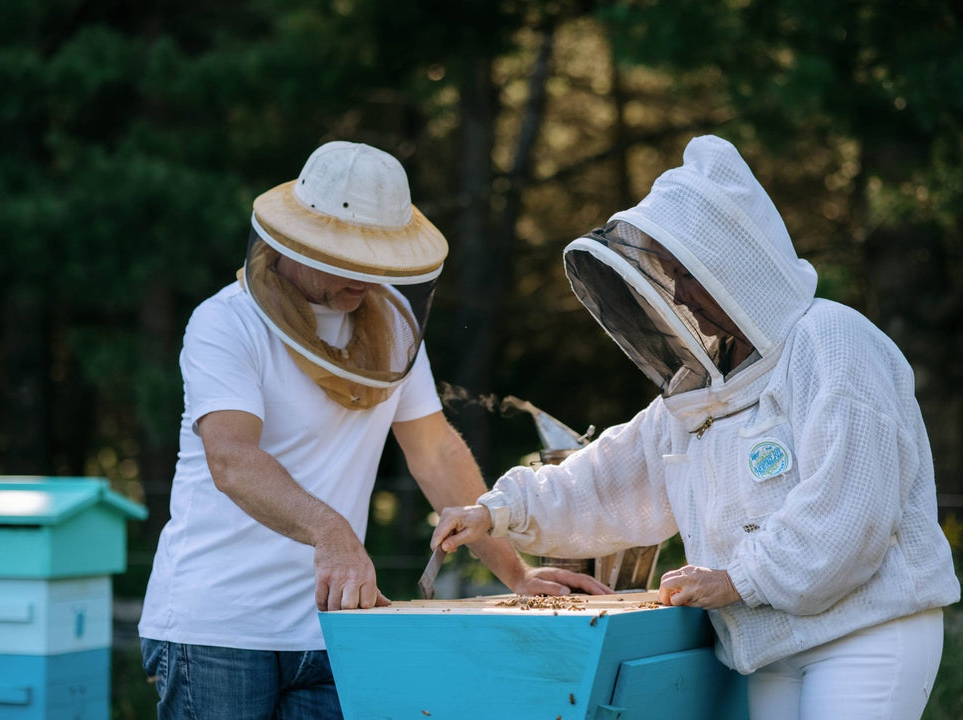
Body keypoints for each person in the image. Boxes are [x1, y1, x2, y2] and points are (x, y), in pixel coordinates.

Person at [432, 135, 961, 719]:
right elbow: (608, 478)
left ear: (734, 262)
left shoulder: (833, 341)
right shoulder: (704, 390)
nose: (677, 293)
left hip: (866, 634)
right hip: (771, 642)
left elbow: (851, 513)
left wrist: (738, 579)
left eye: (687, 272)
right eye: (668, 273)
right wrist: (497, 511)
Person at [138, 140, 610, 720]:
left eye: (378, 255)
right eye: (348, 255)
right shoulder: (225, 322)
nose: (367, 275)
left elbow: (434, 451)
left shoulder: (391, 327)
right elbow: (231, 459)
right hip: (219, 631)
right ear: (297, 241)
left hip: (336, 628)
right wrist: (331, 532)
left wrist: (513, 570)